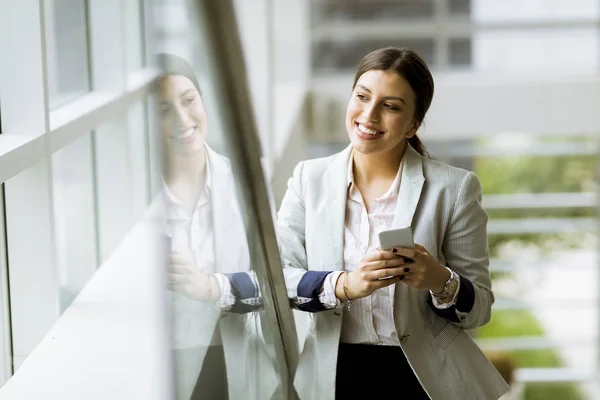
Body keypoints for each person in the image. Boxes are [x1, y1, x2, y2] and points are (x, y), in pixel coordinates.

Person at [273, 47, 510, 399]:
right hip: (333, 374)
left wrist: (439, 280)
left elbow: (479, 309)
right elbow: (276, 275)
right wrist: (345, 284)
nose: (369, 115)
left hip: (421, 377)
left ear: (413, 123)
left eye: (391, 106)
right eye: (362, 96)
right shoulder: (310, 178)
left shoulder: (454, 188)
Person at [155, 53, 271, 400]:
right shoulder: (129, 199)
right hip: (158, 369)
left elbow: (276, 281)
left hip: (230, 361)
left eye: (189, 100)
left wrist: (209, 286)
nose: (182, 118)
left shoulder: (251, 181)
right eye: (162, 111)